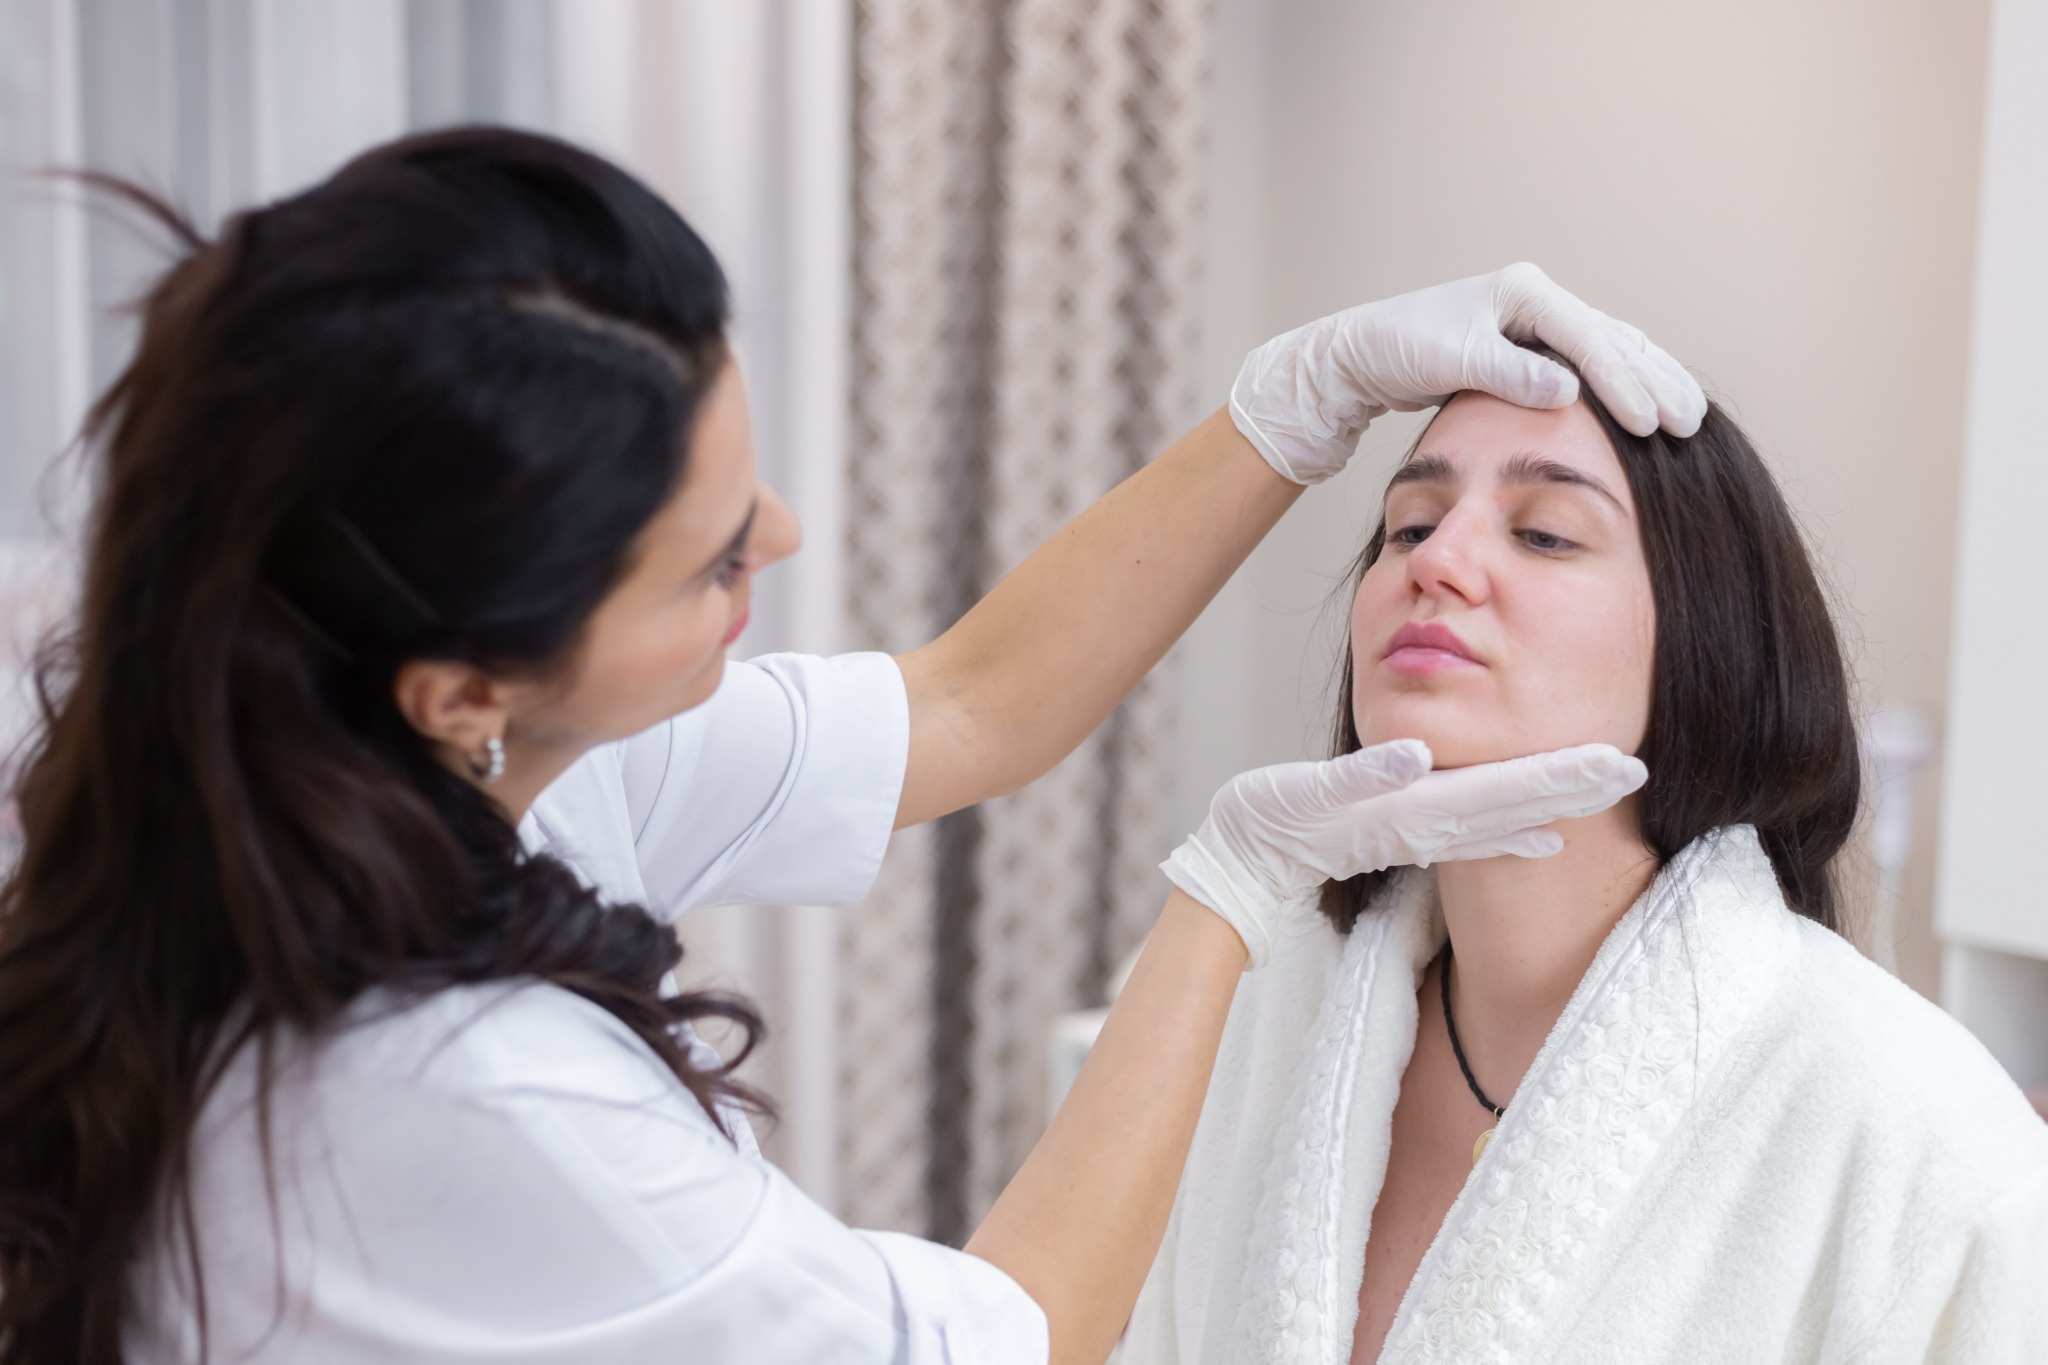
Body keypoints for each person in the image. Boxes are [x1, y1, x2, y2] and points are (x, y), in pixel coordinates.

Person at [0, 128, 1697, 1365]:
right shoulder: (450, 1097)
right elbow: (1009, 1346)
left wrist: (1291, 404)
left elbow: (970, 701)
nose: (788, 541)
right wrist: (1228, 889)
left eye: (1545, 536)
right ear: (464, 684)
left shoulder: (351, 742)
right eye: (713, 555)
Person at [1121, 350, 2048, 1364]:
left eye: (1543, 533)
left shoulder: (1916, 1134)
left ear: (1708, 641)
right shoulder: (1249, 1008)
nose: (1433, 561)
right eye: (1408, 527)